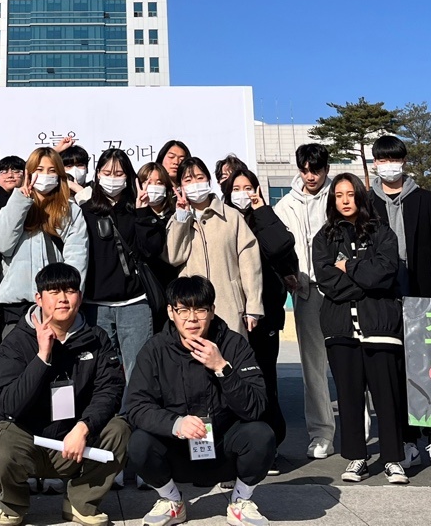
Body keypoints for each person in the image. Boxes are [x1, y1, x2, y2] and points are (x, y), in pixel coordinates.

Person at [0, 262, 129, 526]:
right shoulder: (17, 340)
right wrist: (42, 357)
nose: (62, 298)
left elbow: (110, 389)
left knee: (119, 429)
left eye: (70, 291)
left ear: (80, 296)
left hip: (75, 440)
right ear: (39, 298)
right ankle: (13, 505)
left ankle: (80, 503)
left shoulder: (96, 338)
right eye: (54, 291)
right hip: (29, 440)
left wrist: (83, 427)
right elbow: (9, 404)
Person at [125, 275, 275, 526]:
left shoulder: (234, 344)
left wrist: (222, 368)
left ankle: (241, 500)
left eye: (200, 310)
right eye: (183, 310)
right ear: (171, 312)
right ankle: (171, 500)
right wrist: (175, 424)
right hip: (178, 449)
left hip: (224, 448)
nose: (192, 318)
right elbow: (137, 406)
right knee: (139, 442)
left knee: (261, 434)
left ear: (212, 311)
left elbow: (257, 406)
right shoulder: (155, 349)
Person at [313, 173, 408, 484]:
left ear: (360, 196)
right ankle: (356, 457)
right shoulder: (324, 237)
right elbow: (328, 282)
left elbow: (385, 273)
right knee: (349, 396)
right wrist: (365, 280)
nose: (344, 200)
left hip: (380, 325)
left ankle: (393, 459)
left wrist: (350, 268)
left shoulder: (382, 232)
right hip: (340, 328)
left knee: (387, 396)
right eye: (338, 195)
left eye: (350, 194)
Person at [366, 135, 431, 470]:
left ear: (404, 162)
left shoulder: (424, 199)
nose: (389, 166)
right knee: (396, 371)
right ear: (375, 163)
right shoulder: (367, 202)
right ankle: (408, 440)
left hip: (422, 293)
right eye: (382, 160)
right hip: (384, 297)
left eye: (394, 159)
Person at [221, 161, 296, 452]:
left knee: (264, 378)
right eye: (236, 189)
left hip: (265, 316)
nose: (243, 193)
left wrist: (262, 210)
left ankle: (269, 443)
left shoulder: (264, 217)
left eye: (248, 188)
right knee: (232, 379)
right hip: (230, 313)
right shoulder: (222, 220)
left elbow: (280, 246)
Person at [272, 143, 337, 458]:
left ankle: (359, 428)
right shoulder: (285, 205)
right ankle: (321, 434)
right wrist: (287, 274)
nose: (310, 176)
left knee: (351, 364)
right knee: (313, 367)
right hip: (306, 291)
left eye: (316, 170)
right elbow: (278, 248)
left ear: (326, 169)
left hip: (341, 291)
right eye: (305, 170)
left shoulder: (339, 196)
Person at [80, 148, 165, 376]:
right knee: (102, 372)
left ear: (128, 176)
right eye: (107, 173)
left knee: (138, 372)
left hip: (134, 302)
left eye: (119, 174)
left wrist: (143, 213)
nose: (112, 179)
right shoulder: (85, 211)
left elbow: (151, 250)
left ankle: (134, 402)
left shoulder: (138, 209)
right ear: (98, 174)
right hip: (95, 304)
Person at [0, 148, 89, 331]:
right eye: (39, 170)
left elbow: (77, 257)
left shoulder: (71, 211)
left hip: (57, 305)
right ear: (29, 173)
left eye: (52, 171)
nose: (45, 176)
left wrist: (68, 297)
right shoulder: (14, 204)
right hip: (16, 307)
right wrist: (21, 200)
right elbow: (0, 243)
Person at [166, 159, 262, 339]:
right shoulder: (178, 220)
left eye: (200, 177)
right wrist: (182, 217)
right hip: (193, 308)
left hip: (229, 305)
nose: (195, 184)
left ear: (209, 180)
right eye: (188, 180)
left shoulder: (231, 216)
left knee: (231, 352)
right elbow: (174, 257)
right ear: (180, 186)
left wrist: (253, 306)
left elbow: (250, 263)